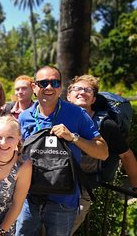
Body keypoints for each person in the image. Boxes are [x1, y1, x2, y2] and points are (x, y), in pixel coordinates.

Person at [15, 66, 108, 236]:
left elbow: (103, 152)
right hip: (29, 199)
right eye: (43, 83)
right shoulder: (24, 117)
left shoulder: (77, 114)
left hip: (63, 202)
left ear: (60, 87)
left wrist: (73, 137)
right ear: (34, 87)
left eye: (54, 82)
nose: (49, 87)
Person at [66, 75, 137, 234]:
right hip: (54, 188)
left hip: (82, 191)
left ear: (93, 99)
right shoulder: (58, 118)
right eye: (77, 88)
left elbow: (126, 155)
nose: (82, 92)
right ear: (68, 96)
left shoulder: (105, 125)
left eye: (88, 90)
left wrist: (135, 187)